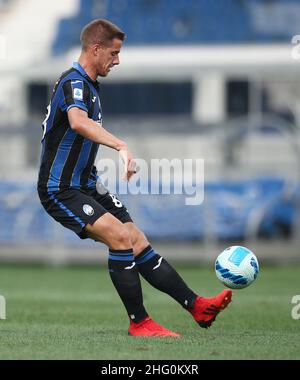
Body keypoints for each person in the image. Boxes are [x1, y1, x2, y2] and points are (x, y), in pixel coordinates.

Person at [37, 19, 232, 337]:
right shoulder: (73, 82)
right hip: (60, 189)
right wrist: (120, 145)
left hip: (86, 184)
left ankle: (196, 306)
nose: (117, 60)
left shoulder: (90, 87)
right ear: (95, 49)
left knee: (136, 239)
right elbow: (77, 122)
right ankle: (139, 322)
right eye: (113, 53)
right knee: (119, 237)